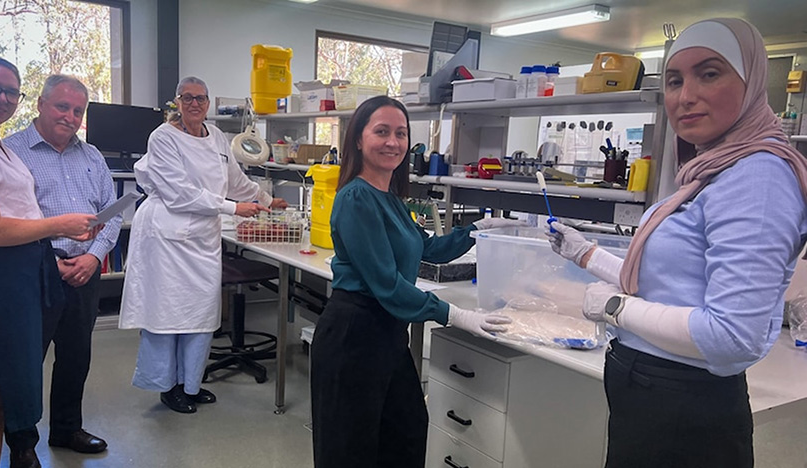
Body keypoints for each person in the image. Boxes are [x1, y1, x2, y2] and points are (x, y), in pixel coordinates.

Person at [547, 18, 807, 467]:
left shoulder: (757, 178)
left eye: (710, 73)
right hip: (653, 394)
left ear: (752, 81)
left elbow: (730, 337)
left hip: (686, 407)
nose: (685, 96)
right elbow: (672, 283)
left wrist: (616, 309)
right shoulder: (713, 170)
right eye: (673, 80)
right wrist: (586, 254)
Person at [309, 95, 517, 468]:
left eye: (401, 134)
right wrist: (454, 314)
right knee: (351, 450)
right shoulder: (355, 198)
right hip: (354, 335)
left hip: (387, 335)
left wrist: (477, 231)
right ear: (358, 138)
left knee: (406, 430)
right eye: (382, 132)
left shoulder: (389, 197)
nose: (393, 142)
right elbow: (386, 285)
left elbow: (427, 248)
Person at [0, 56, 99, 468]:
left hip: (21, 275)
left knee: (12, 386)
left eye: (11, 91)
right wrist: (60, 225)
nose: (2, 98)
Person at [118, 76, 287, 414]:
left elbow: (236, 180)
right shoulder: (163, 138)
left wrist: (266, 200)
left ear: (208, 103)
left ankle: (191, 385)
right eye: (187, 98)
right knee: (168, 317)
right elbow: (179, 192)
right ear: (177, 102)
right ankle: (168, 387)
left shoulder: (218, 138)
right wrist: (232, 208)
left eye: (201, 98)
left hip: (202, 238)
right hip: (168, 237)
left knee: (200, 315)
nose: (195, 104)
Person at [4, 75, 121, 454]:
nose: (70, 117)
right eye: (62, 107)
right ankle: (21, 447)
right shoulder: (11, 152)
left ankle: (67, 430)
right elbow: (4, 220)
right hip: (33, 272)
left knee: (75, 357)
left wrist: (93, 256)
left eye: (77, 111)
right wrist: (45, 263)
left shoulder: (91, 156)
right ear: (40, 104)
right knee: (25, 362)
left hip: (84, 271)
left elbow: (111, 214)